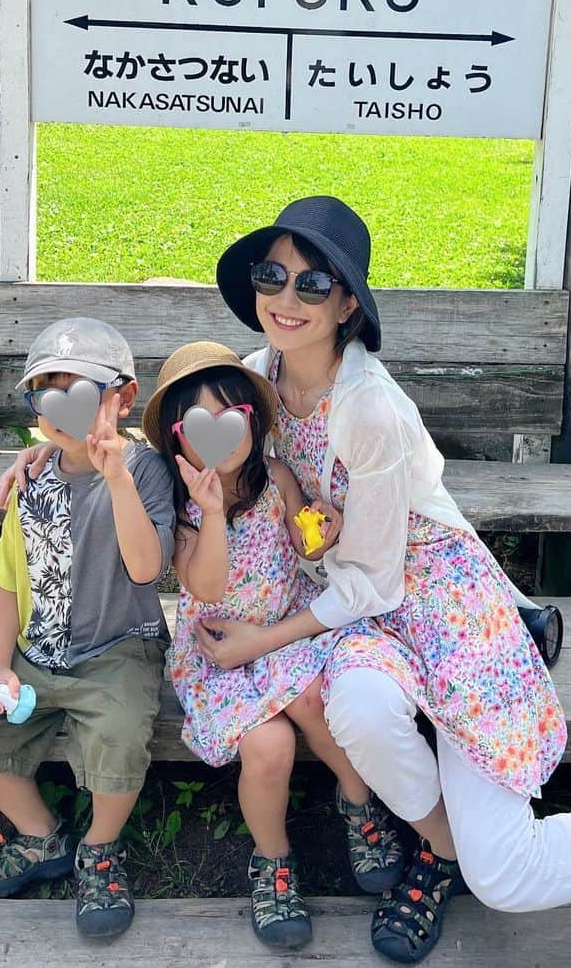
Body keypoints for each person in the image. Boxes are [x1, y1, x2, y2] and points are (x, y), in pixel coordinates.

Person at [196, 195, 571, 967]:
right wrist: (68, 459)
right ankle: (443, 848)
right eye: (271, 275)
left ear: (347, 302)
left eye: (312, 284)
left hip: (431, 598)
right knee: (358, 707)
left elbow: (375, 582)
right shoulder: (255, 381)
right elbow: (185, 439)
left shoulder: (371, 410)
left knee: (510, 877)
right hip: (355, 611)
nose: (286, 299)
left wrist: (265, 636)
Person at [142, 340, 404, 949]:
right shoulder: (179, 502)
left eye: (231, 420)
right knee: (269, 745)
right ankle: (273, 862)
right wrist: (209, 513)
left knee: (314, 700)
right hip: (219, 650)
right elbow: (204, 584)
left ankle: (358, 804)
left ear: (253, 422)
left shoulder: (277, 477)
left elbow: (304, 543)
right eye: (200, 425)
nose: (218, 438)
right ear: (178, 437)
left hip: (282, 630)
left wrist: (322, 529)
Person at [0, 317, 175, 940]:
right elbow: (8, 582)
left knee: (120, 739)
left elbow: (147, 567)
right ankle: (42, 838)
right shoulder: (31, 479)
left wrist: (117, 477)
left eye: (82, 392)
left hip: (118, 650)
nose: (62, 408)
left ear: (123, 399)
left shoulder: (146, 472)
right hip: (37, 653)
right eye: (48, 393)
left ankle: (101, 849)